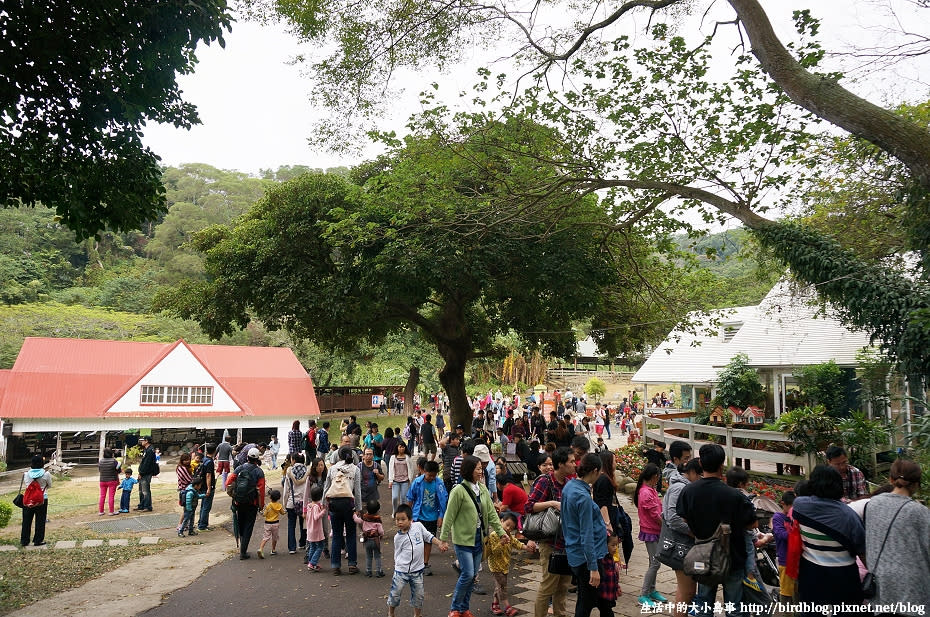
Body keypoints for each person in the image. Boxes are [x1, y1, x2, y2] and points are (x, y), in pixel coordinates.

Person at [676, 444, 755, 616]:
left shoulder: (689, 491)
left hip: (703, 556)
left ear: (701, 465)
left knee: (704, 607)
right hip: (733, 556)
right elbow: (752, 524)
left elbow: (683, 518)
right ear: (722, 465)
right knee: (735, 609)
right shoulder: (735, 495)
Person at [791, 465, 866, 615]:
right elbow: (862, 549)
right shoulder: (848, 515)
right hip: (843, 575)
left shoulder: (800, 506)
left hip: (811, 572)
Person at [864, 459, 930, 615]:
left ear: (891, 479)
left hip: (881, 582)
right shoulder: (919, 512)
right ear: (916, 484)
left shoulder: (872, 504)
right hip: (912, 586)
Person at [525, 447, 575, 617]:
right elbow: (529, 506)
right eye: (571, 462)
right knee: (548, 587)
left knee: (563, 587)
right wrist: (552, 503)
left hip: (567, 542)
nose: (575, 464)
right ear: (560, 464)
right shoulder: (545, 481)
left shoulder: (569, 483)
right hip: (550, 543)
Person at [561, 452, 611, 617]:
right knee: (586, 603)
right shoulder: (583, 497)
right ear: (595, 470)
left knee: (589, 599)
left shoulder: (570, 486)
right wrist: (593, 568)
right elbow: (587, 535)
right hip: (587, 557)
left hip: (575, 552)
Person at [388, 503, 449, 617]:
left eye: (403, 519)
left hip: (417, 571)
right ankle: (391, 613)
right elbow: (397, 553)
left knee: (419, 595)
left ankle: (417, 614)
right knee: (395, 593)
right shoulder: (398, 537)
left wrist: (440, 543)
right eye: (397, 520)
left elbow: (429, 537)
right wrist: (398, 567)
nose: (399, 522)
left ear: (411, 520)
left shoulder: (418, 526)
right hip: (401, 571)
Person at [662, 457, 702, 617]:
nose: (701, 479)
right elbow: (672, 518)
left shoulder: (682, 486)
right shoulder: (680, 488)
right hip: (681, 545)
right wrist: (693, 532)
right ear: (691, 472)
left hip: (682, 546)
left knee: (687, 590)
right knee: (686, 591)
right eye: (700, 475)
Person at [486, 510, 537, 616]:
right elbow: (494, 551)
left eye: (512, 527)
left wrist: (527, 548)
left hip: (504, 565)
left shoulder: (508, 535)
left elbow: (516, 543)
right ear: (501, 521)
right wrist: (501, 543)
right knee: (502, 587)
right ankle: (507, 607)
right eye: (507, 525)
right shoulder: (494, 535)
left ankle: (495, 605)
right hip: (496, 566)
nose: (508, 528)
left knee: (499, 586)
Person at [324, 445, 363, 575]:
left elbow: (326, 488)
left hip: (334, 504)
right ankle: (352, 564)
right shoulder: (355, 469)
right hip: (349, 505)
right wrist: (358, 508)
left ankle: (335, 565)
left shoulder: (333, 469)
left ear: (338, 456)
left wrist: (325, 504)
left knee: (336, 535)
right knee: (351, 534)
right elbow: (357, 491)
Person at [407, 459, 448, 576]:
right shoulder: (417, 482)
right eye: (430, 475)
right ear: (424, 471)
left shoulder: (439, 483)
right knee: (416, 540)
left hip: (432, 517)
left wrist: (441, 516)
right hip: (418, 516)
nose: (432, 478)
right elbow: (410, 498)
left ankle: (425, 563)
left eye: (434, 475)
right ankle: (415, 563)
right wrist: (408, 515)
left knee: (429, 540)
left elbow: (443, 501)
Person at [226, 447, 267, 560]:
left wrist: (234, 494)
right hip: (252, 503)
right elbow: (261, 491)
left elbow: (228, 482)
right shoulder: (259, 472)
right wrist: (261, 505)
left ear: (247, 457)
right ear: (257, 459)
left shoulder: (239, 468)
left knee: (241, 523)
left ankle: (242, 547)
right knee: (248, 526)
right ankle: (243, 551)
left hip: (239, 502)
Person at [634, 462, 665, 607]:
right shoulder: (646, 492)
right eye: (657, 478)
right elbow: (655, 515)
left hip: (654, 530)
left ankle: (652, 590)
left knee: (653, 562)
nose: (658, 481)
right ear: (653, 477)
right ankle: (644, 594)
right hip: (651, 531)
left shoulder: (649, 489)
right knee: (655, 563)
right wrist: (665, 526)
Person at [20, 454, 52, 547]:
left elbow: (26, 485)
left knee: (26, 520)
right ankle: (38, 540)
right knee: (40, 520)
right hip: (42, 499)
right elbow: (49, 485)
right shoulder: (46, 474)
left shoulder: (26, 474)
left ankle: (24, 540)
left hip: (28, 500)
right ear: (42, 463)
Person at [771, 490, 796, 605]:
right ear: (783, 504)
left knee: (796, 591)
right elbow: (781, 534)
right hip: (785, 560)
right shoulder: (778, 518)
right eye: (790, 507)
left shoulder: (796, 517)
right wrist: (797, 535)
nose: (792, 511)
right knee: (786, 592)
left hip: (797, 560)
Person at [283, 452, 308, 555]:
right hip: (304, 503)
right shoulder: (308, 472)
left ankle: (292, 547)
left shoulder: (289, 472)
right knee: (304, 524)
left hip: (291, 503)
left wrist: (284, 505)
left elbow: (286, 491)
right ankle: (302, 542)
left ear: (293, 460)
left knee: (291, 524)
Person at [354, 499, 385, 577]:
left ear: (367, 509)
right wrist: (381, 535)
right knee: (377, 556)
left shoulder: (364, 518)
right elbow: (381, 531)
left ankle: (368, 571)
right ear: (378, 510)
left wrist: (354, 514)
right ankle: (379, 571)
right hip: (375, 540)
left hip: (367, 540)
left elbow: (357, 520)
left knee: (368, 556)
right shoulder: (377, 520)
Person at [305, 484, 328, 571]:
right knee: (320, 546)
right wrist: (323, 511)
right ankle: (312, 563)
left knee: (313, 547)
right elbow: (316, 517)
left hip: (310, 530)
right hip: (316, 531)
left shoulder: (309, 505)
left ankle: (310, 563)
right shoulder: (315, 507)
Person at [257, 488, 284, 558]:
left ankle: (261, 548)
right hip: (275, 523)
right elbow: (282, 512)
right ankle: (273, 550)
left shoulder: (268, 506)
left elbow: (264, 514)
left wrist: (261, 512)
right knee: (274, 537)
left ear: (270, 497)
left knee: (266, 537)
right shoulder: (279, 505)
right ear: (279, 498)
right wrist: (285, 511)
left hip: (267, 523)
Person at [388, 441, 413, 515]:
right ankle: (395, 511)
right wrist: (390, 480)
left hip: (405, 480)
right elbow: (390, 469)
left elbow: (411, 468)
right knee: (395, 497)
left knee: (403, 498)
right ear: (397, 448)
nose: (402, 448)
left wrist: (410, 479)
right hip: (395, 481)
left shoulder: (407, 457)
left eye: (403, 447)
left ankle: (402, 512)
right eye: (400, 447)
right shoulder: (393, 457)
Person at [197, 443, 217, 531]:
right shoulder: (210, 462)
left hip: (202, 485)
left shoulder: (204, 459)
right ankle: (203, 525)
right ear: (214, 451)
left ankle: (200, 522)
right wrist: (209, 488)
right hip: (207, 486)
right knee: (206, 506)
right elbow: (208, 475)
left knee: (203, 506)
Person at [97, 448, 120, 516]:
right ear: (111, 453)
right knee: (111, 496)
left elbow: (100, 470)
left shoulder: (100, 461)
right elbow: (118, 471)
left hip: (102, 481)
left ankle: (101, 511)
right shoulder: (114, 461)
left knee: (102, 496)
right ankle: (111, 511)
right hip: (112, 480)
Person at [136, 435, 156, 512]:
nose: (141, 442)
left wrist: (141, 472)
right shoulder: (146, 449)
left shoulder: (150, 450)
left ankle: (147, 506)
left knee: (145, 490)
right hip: (143, 472)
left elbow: (147, 464)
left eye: (143, 440)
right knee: (141, 490)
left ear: (147, 441)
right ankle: (142, 505)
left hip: (146, 473)